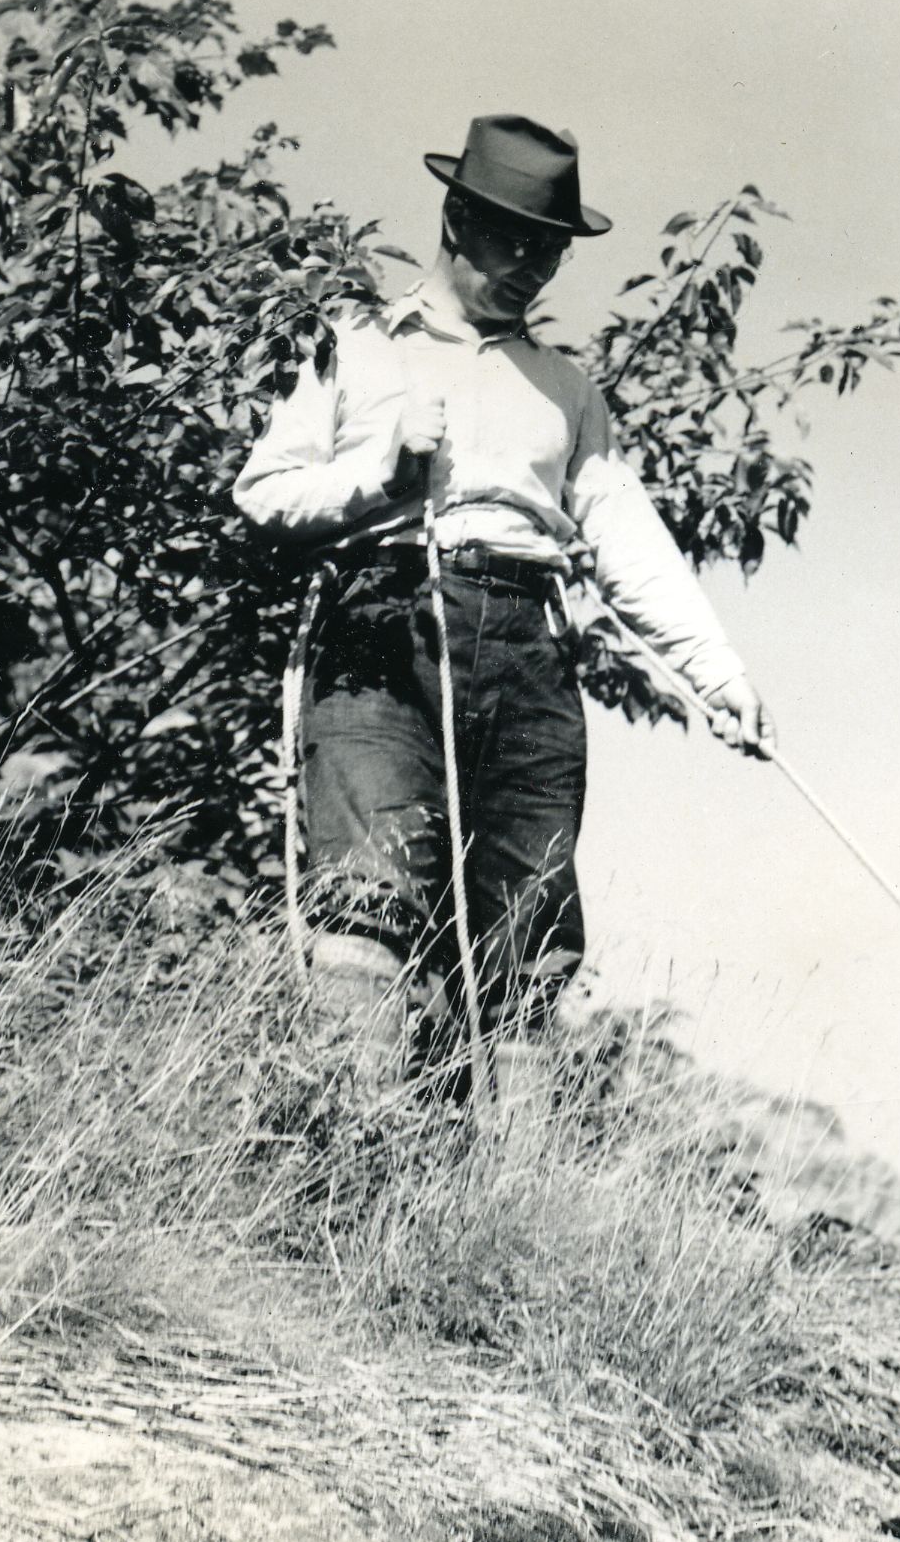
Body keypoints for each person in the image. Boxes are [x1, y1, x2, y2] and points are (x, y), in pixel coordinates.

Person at [233, 114, 773, 1073]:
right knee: (369, 903)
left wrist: (714, 672)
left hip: (528, 647)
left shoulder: (565, 388)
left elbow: (621, 534)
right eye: (513, 240)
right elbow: (262, 493)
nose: (531, 266)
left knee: (527, 942)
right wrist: (379, 482)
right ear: (455, 219)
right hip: (381, 630)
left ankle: (500, 1209)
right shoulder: (353, 345)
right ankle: (347, 1182)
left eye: (551, 250)